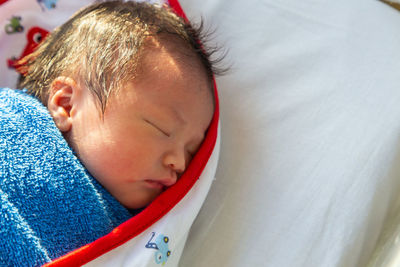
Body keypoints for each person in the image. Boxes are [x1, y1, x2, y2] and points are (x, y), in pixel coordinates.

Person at [0, 1, 222, 265]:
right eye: (161, 128)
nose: (180, 162)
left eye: (191, 151)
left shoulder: (143, 234)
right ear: (67, 104)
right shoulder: (12, 124)